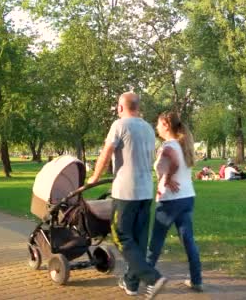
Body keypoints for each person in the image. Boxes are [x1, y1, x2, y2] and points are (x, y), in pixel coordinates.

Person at [87, 92, 166, 298]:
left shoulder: (119, 125)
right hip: (145, 190)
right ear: (138, 107)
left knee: (120, 235)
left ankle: (153, 278)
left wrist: (94, 177)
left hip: (126, 192)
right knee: (138, 239)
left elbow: (106, 153)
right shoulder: (149, 128)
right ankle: (131, 284)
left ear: (121, 107)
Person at [147, 112, 203, 293]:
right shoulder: (183, 144)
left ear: (165, 124)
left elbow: (173, 164)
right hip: (187, 198)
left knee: (155, 242)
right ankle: (196, 280)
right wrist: (168, 175)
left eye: (158, 124)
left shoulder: (169, 145)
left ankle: (147, 279)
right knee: (188, 241)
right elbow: (177, 164)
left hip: (170, 200)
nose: (156, 127)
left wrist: (168, 177)